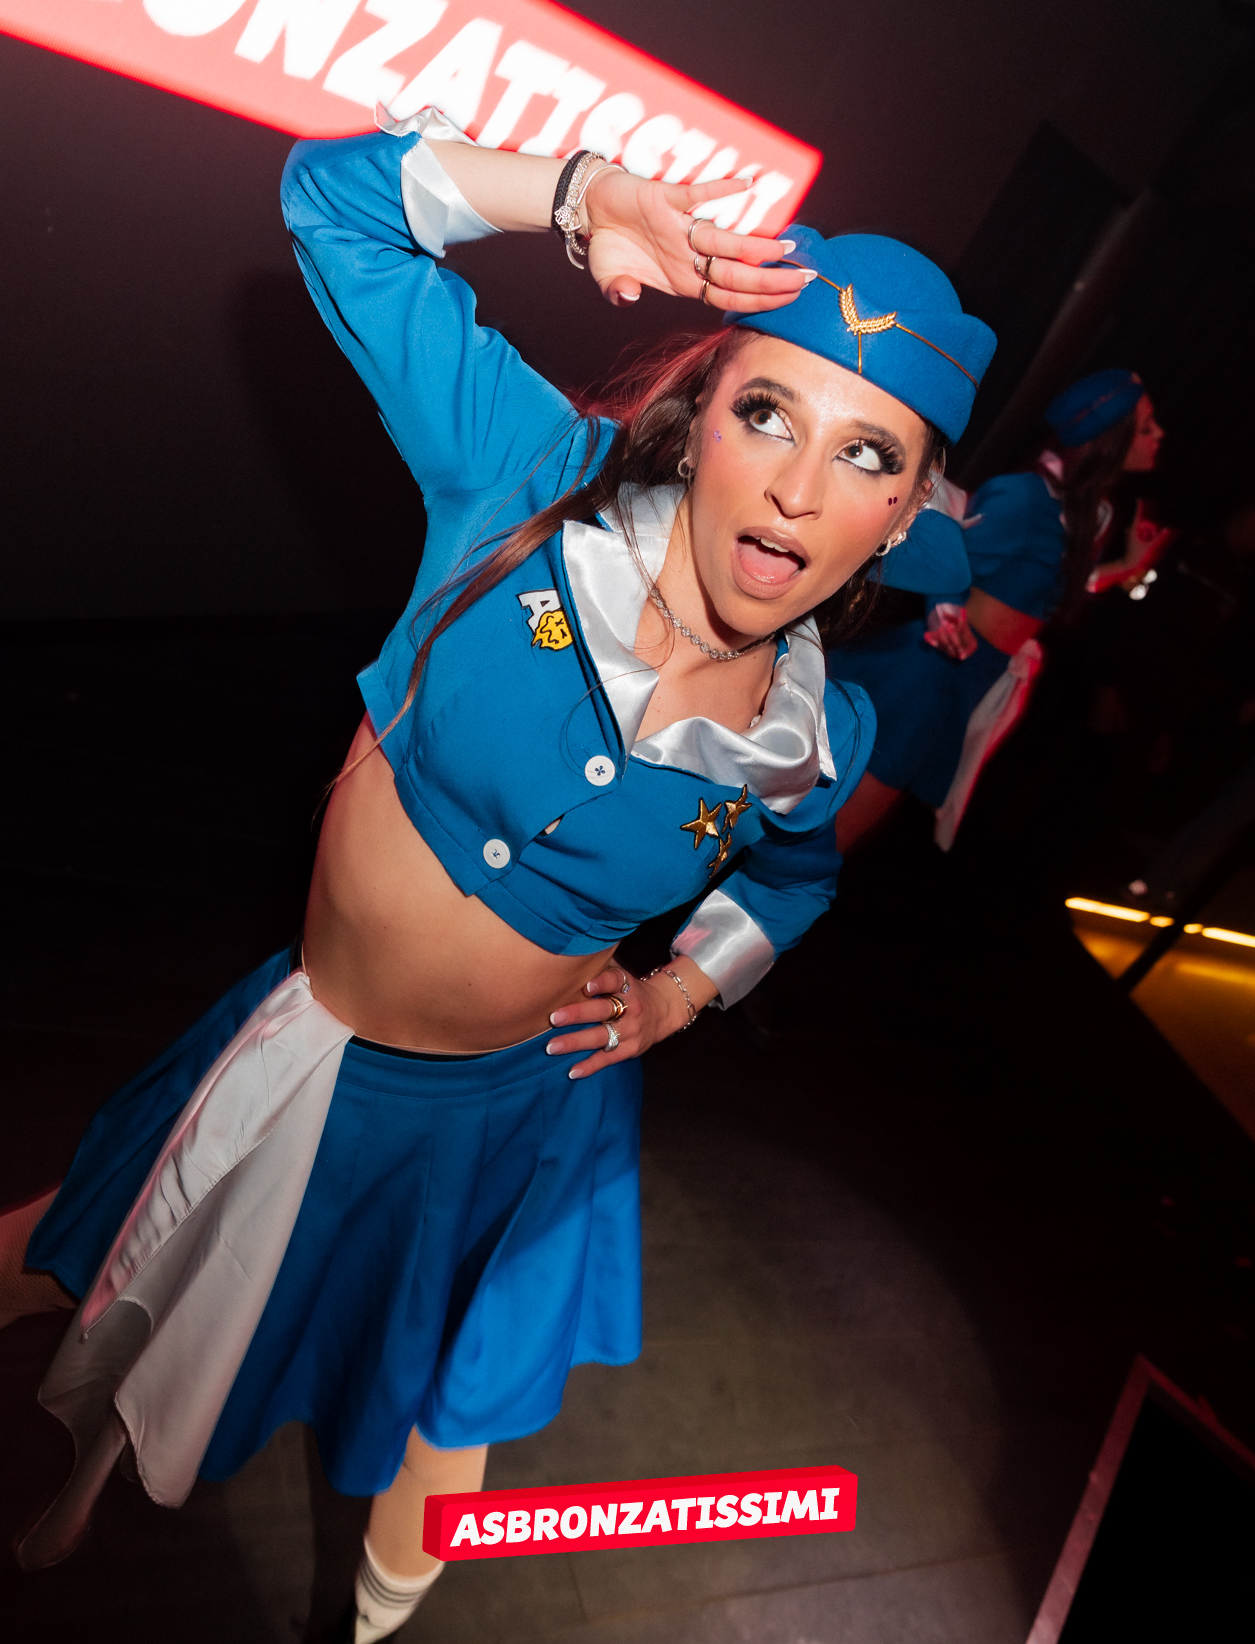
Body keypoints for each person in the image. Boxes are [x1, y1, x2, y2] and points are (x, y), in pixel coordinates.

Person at [1, 107, 993, 1638]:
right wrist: (576, 195)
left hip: (499, 1126)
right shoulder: (530, 484)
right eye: (769, 414)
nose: (798, 488)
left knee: (424, 1410)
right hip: (311, 1034)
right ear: (702, 416)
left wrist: (677, 996)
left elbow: (794, 885)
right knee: (108, 1239)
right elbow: (330, 207)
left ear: (902, 513)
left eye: (865, 454)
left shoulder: (816, 740)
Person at [829, 367, 1167, 853]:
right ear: (1110, 439)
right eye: (1147, 427)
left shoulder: (1090, 516)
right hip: (929, 673)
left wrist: (1128, 566)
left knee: (852, 830)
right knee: (838, 830)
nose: (1160, 436)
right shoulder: (1024, 496)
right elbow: (945, 555)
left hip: (969, 679)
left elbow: (1048, 590)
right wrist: (944, 608)